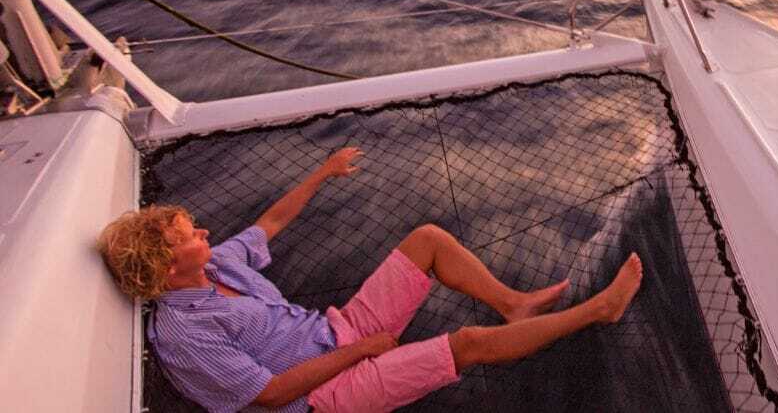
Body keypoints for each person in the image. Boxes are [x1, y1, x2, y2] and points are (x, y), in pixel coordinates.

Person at [97, 147, 643, 413]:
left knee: (426, 238)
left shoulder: (215, 263)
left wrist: (323, 171)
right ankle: (599, 309)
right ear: (168, 269)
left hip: (335, 332)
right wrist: (364, 352)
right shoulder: (183, 335)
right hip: (322, 394)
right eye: (191, 235)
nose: (206, 232)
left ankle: (514, 303)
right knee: (468, 345)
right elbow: (270, 394)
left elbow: (272, 222)